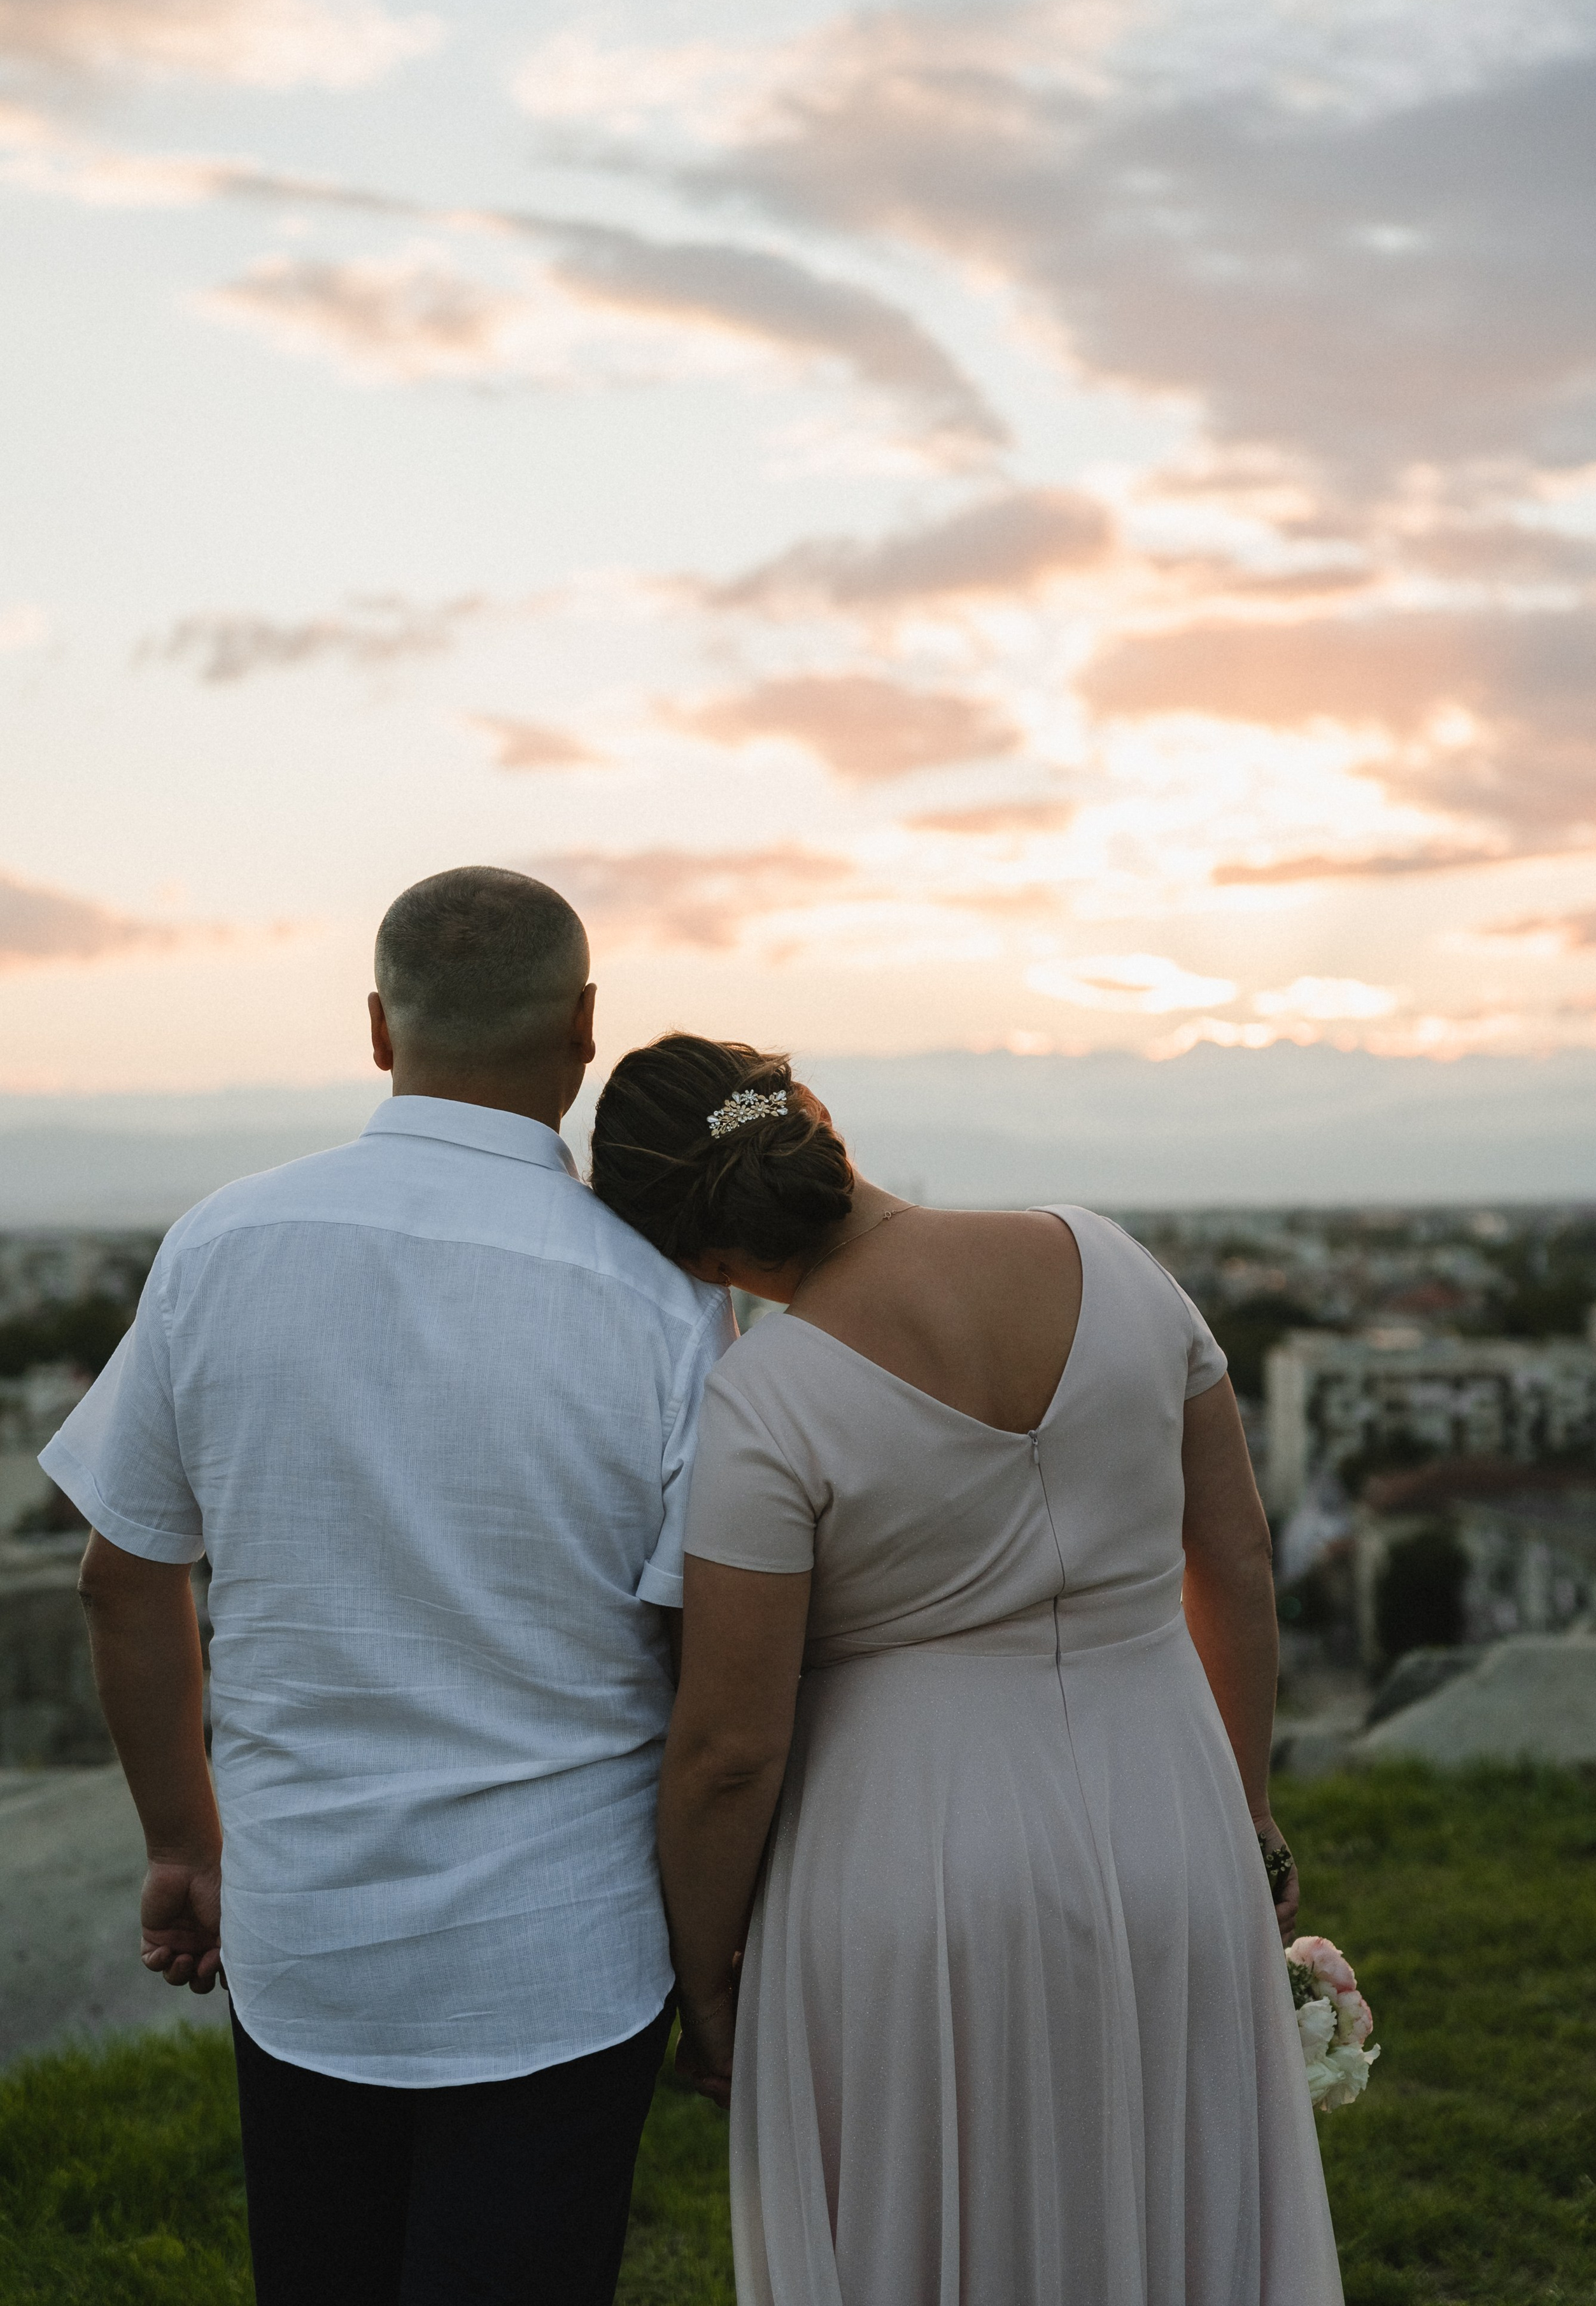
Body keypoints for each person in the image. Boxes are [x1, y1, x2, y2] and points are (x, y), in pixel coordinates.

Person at [41, 870, 735, 2306]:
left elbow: (124, 1582)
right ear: (584, 1029)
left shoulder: (220, 1245)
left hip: (305, 1930)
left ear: (377, 1028)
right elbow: (696, 1652)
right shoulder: (664, 1301)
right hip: (566, 1945)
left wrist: (186, 1844)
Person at [590, 1035, 1345, 2306]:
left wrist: (707, 1979)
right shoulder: (1111, 1259)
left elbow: (730, 1746)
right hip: (1168, 1817)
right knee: (1163, 2214)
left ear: (692, 1250)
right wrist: (1246, 1816)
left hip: (904, 1875)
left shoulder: (764, 1402)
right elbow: (1235, 1566)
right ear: (818, 1123)